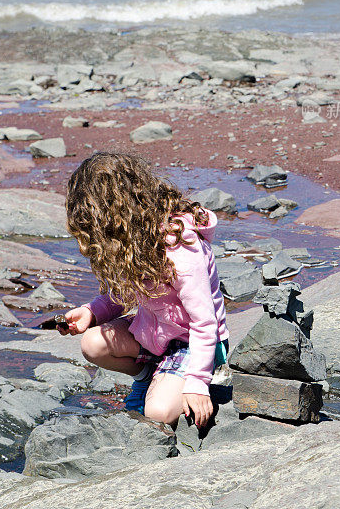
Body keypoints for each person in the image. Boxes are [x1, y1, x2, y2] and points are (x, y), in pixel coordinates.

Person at [59, 151, 229, 428]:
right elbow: (125, 294)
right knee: (92, 344)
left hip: (193, 341)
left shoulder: (181, 251)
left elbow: (204, 322)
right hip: (155, 333)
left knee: (158, 413)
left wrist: (197, 384)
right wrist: (92, 313)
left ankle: (188, 376)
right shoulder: (135, 242)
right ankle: (149, 375)